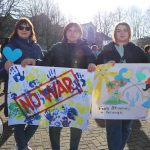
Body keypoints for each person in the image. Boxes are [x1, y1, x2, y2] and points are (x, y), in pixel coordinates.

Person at [21, 22, 96, 150]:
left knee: (76, 125)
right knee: (55, 124)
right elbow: (45, 63)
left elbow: (93, 61)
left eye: (75, 31)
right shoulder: (57, 47)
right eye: (70, 30)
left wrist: (92, 64)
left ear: (80, 34)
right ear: (65, 32)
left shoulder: (86, 49)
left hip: (78, 94)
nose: (72, 33)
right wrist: (34, 62)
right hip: (58, 92)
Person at [97, 22, 148, 150]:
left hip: (130, 96)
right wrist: (105, 64)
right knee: (113, 129)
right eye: (119, 30)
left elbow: (147, 66)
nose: (122, 33)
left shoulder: (136, 50)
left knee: (126, 127)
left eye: (125, 30)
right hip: (111, 95)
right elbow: (96, 64)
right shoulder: (107, 48)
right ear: (115, 33)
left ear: (129, 33)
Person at [3, 17, 43, 150]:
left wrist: (36, 61)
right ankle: (22, 146)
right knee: (18, 122)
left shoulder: (36, 47)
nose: (24, 30)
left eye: (28, 28)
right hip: (15, 92)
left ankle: (21, 144)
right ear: (16, 30)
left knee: (35, 121)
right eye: (21, 27)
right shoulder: (9, 47)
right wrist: (5, 68)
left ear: (31, 31)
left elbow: (44, 66)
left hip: (34, 91)